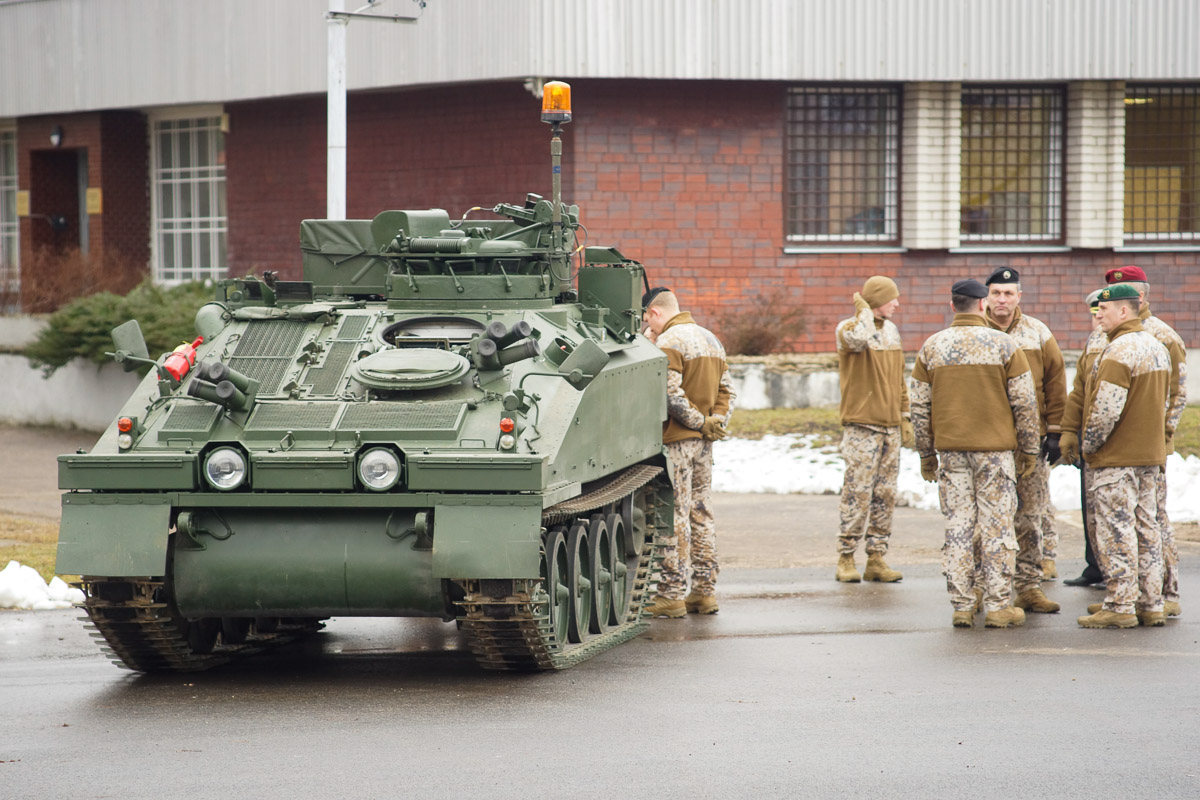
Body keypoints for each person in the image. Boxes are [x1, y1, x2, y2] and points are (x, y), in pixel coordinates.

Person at [911, 279, 1040, 629]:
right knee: (997, 526)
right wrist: (1029, 449)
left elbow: (919, 406)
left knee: (958, 527)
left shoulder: (931, 347)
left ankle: (963, 604)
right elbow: (1024, 403)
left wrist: (926, 454)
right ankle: (998, 604)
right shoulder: (1005, 344)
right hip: (995, 452)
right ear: (982, 305)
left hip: (952, 452)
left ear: (953, 306)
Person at [1060, 282, 1171, 628]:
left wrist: (1087, 445)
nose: (1098, 315)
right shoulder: (1156, 346)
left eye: (1103, 310)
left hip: (1117, 459)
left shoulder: (1118, 351)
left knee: (1116, 531)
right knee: (1147, 529)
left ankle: (1121, 605)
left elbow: (1105, 410)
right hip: (1148, 457)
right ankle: (1151, 603)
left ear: (1123, 311)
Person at [640, 287, 735, 618]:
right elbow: (728, 391)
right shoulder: (711, 339)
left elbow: (671, 395)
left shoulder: (669, 341)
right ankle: (705, 592)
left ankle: (670, 594)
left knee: (675, 515)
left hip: (678, 440)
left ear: (654, 313)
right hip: (705, 443)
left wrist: (697, 422)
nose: (644, 326)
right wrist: (714, 423)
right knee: (702, 513)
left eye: (645, 319)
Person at [1103, 266, 1187, 618]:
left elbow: (1176, 396)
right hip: (1117, 448)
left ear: (1140, 298)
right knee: (1126, 523)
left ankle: (1164, 593)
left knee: (1151, 520)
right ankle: (1130, 593)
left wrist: (1162, 440)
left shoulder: (1163, 336)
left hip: (1147, 448)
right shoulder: (1107, 333)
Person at [983, 267, 1064, 613]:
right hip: (986, 441)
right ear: (985, 296)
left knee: (1030, 517)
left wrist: (1057, 430)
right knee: (986, 520)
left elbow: (1056, 381)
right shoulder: (974, 330)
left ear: (1019, 296)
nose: (1002, 300)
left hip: (1030, 442)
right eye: (996, 293)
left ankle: (1029, 586)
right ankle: (980, 588)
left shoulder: (1037, 333)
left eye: (1009, 293)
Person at [833, 276, 910, 584]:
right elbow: (858, 340)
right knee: (857, 494)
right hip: (862, 427)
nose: (897, 303)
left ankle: (877, 557)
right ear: (876, 300)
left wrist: (904, 416)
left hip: (890, 427)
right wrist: (865, 313)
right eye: (892, 298)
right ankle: (846, 557)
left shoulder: (892, 331)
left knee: (885, 495)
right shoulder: (848, 329)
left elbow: (900, 377)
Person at [1062, 289, 1109, 589]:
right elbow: (1079, 389)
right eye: (1094, 314)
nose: (1096, 320)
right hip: (1088, 434)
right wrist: (1070, 431)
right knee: (1090, 508)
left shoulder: (1137, 341)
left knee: (1113, 513)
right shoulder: (1094, 341)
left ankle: (1117, 576)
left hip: (1115, 440)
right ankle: (1095, 567)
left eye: (1100, 313)